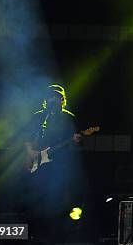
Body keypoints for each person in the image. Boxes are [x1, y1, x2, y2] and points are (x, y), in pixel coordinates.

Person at [24, 84, 83, 242]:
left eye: (57, 97)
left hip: (60, 164)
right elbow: (27, 138)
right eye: (51, 96)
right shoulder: (38, 116)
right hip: (40, 165)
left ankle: (60, 236)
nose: (53, 99)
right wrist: (30, 152)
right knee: (37, 200)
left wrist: (75, 140)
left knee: (59, 200)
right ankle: (36, 234)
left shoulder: (68, 117)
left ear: (62, 99)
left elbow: (74, 141)